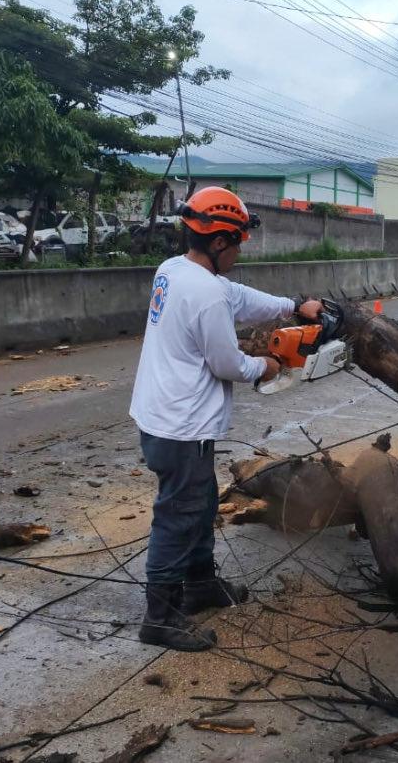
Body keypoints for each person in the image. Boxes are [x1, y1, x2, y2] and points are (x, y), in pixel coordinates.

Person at [129, 186, 323, 652]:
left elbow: (238, 295)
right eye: (236, 243)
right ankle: (159, 617)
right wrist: (268, 366)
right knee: (178, 515)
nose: (238, 252)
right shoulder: (206, 294)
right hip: (181, 425)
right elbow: (227, 364)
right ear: (219, 242)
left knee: (198, 506)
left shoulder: (174, 270)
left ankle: (199, 585)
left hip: (165, 415)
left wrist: (292, 306)